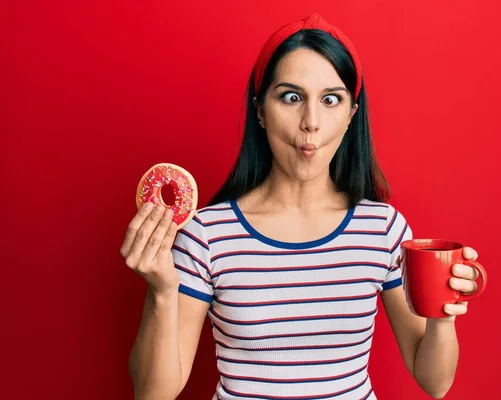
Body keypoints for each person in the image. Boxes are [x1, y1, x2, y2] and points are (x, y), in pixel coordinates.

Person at [120, 13, 481, 400]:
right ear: (260, 110)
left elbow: (435, 382)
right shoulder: (206, 234)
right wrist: (161, 292)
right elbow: (153, 394)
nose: (310, 122)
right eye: (291, 97)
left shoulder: (383, 229)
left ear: (350, 116)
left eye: (330, 100)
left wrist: (444, 312)